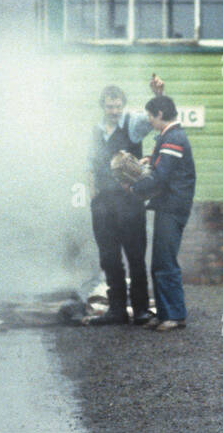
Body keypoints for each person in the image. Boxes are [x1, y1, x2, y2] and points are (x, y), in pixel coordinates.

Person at [84, 84, 153, 325]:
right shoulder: (95, 130)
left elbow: (156, 119)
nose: (114, 110)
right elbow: (90, 163)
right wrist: (92, 193)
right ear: (102, 106)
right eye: (110, 106)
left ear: (122, 105)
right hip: (103, 204)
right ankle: (117, 310)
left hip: (129, 201)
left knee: (135, 257)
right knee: (109, 257)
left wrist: (159, 95)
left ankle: (142, 310)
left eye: (117, 106)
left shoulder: (132, 125)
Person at [130, 95, 196, 331]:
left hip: (172, 208)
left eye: (150, 116)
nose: (148, 121)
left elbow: (160, 177)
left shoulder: (173, 138)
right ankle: (165, 312)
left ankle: (174, 315)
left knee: (165, 261)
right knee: (159, 261)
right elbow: (163, 167)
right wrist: (152, 159)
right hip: (167, 207)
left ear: (159, 114)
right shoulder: (170, 136)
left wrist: (133, 187)